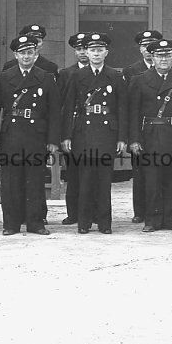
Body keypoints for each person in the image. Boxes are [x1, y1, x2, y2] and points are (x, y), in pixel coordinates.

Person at [0, 34, 61, 235]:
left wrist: (53, 140)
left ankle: (35, 223)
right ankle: (11, 224)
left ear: (36, 54)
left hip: (36, 136)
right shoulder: (4, 77)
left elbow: (54, 111)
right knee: (11, 182)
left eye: (30, 52)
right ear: (15, 55)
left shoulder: (46, 77)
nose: (26, 56)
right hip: (11, 135)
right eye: (22, 53)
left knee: (35, 181)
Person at [60, 32, 127, 234]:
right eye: (92, 50)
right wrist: (66, 135)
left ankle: (105, 223)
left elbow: (122, 108)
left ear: (106, 52)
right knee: (85, 181)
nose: (96, 54)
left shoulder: (115, 76)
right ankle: (84, 222)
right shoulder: (76, 76)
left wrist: (122, 138)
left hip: (107, 134)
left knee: (104, 182)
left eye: (100, 50)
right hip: (84, 134)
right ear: (86, 53)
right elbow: (68, 107)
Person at [128, 38, 172, 231]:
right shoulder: (140, 80)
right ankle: (152, 220)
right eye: (159, 56)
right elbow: (133, 112)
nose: (164, 59)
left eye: (167, 55)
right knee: (152, 181)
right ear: (152, 57)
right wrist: (134, 139)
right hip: (150, 137)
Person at [122, 29, 163, 224]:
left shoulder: (166, 68)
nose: (148, 49)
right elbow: (129, 106)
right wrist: (132, 136)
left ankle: (159, 210)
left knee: (160, 173)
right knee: (140, 173)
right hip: (141, 129)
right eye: (144, 46)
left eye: (151, 46)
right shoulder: (131, 71)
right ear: (140, 49)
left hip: (161, 131)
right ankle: (140, 211)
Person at [57, 32, 90, 225]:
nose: (83, 52)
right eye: (79, 49)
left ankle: (92, 212)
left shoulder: (101, 72)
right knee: (73, 173)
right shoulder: (66, 74)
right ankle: (73, 213)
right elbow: (63, 106)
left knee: (92, 174)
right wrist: (65, 134)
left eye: (86, 48)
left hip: (93, 131)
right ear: (75, 51)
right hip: (74, 129)